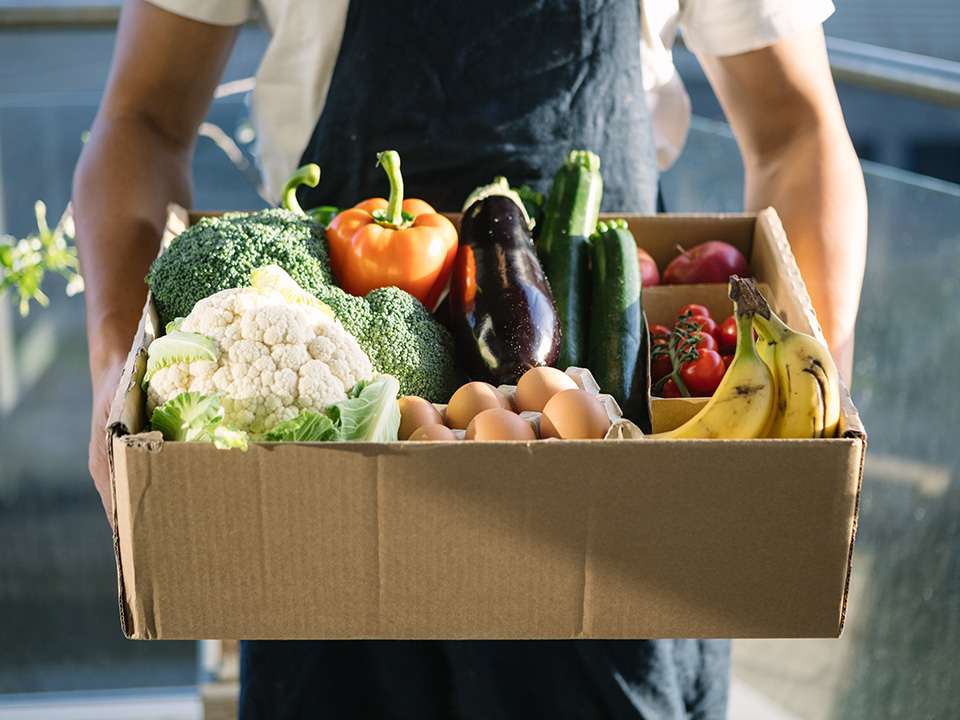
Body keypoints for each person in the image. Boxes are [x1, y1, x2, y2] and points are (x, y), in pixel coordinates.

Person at [72, 0, 867, 718]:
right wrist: (115, 369)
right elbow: (143, 120)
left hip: (609, 450)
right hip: (330, 439)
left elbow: (796, 129)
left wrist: (816, 388)